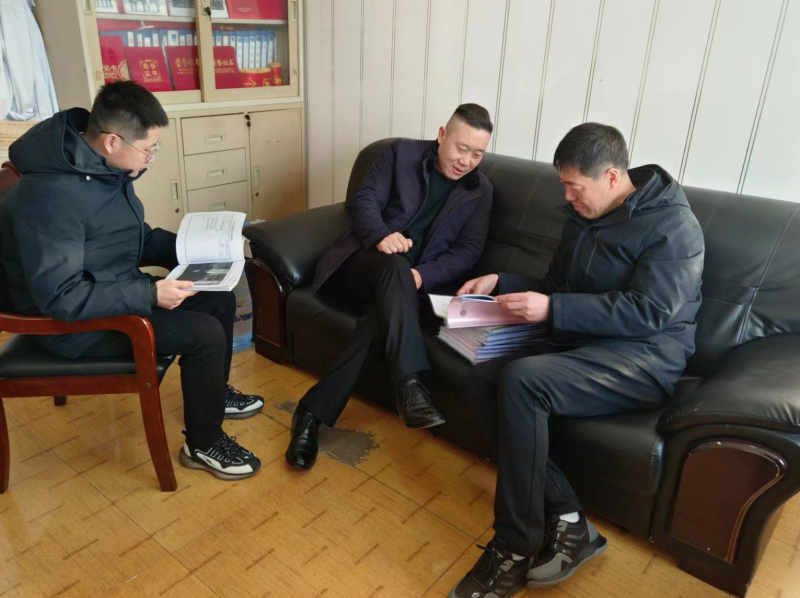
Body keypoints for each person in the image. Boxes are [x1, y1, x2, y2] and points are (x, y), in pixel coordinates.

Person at [449, 122, 705, 597]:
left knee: (523, 380)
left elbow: (651, 312)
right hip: (583, 342)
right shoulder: (584, 215)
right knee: (482, 376)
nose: (567, 197)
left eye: (575, 186)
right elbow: (557, 287)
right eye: (564, 185)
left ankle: (514, 547)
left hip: (645, 359)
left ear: (611, 177)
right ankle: (568, 519)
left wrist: (553, 310)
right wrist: (501, 282)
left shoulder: (674, 227)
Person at [0, 81, 263, 481]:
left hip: (108, 291)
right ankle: (203, 443)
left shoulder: (101, 171)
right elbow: (62, 298)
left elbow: (130, 238)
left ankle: (212, 393)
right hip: (72, 326)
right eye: (148, 149)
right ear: (111, 141)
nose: (151, 157)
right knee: (205, 334)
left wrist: (198, 250)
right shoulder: (50, 196)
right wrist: (150, 292)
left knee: (218, 298)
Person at [286, 104, 495, 470]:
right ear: (442, 135)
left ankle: (310, 414)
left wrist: (422, 275)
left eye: (477, 154)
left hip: (408, 288)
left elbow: (468, 251)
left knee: (379, 320)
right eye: (461, 148)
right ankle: (410, 382)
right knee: (396, 267)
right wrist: (381, 235)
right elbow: (365, 200)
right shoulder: (401, 154)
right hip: (361, 266)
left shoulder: (480, 191)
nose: (467, 161)